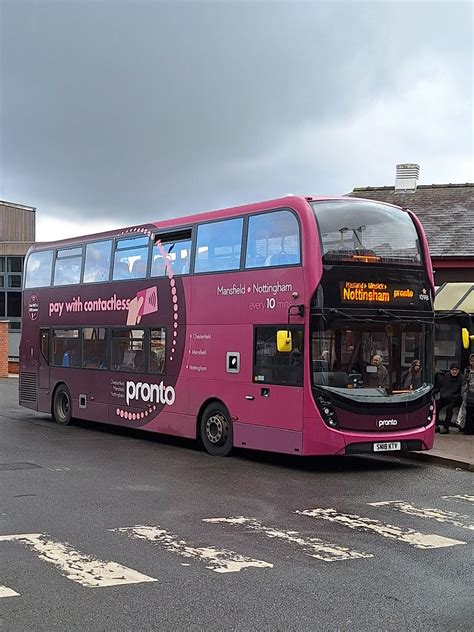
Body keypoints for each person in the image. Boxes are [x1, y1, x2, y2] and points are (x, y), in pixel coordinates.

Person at [436, 363, 463, 434]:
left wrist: (456, 396)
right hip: (446, 396)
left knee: (449, 409)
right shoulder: (447, 376)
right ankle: (436, 425)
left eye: (456, 370)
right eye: (453, 370)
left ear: (458, 371)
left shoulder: (461, 378)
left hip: (455, 398)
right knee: (436, 405)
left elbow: (461, 391)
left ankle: (446, 427)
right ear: (450, 370)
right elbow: (442, 386)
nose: (454, 372)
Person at [460, 353, 474, 435]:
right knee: (468, 412)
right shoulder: (467, 370)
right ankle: (467, 429)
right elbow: (464, 382)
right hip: (469, 393)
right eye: (472, 361)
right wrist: (463, 394)